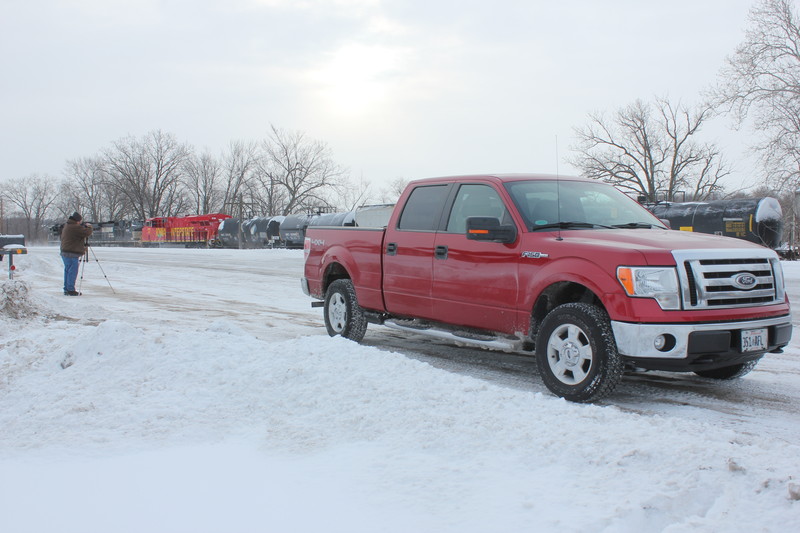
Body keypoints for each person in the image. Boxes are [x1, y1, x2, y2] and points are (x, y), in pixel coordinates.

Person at [60, 211, 93, 295]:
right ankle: (70, 289)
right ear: (77, 220)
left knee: (68, 270)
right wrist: (89, 227)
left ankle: (67, 289)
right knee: (72, 271)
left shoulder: (67, 225)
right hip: (71, 253)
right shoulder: (74, 227)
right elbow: (86, 232)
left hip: (65, 252)